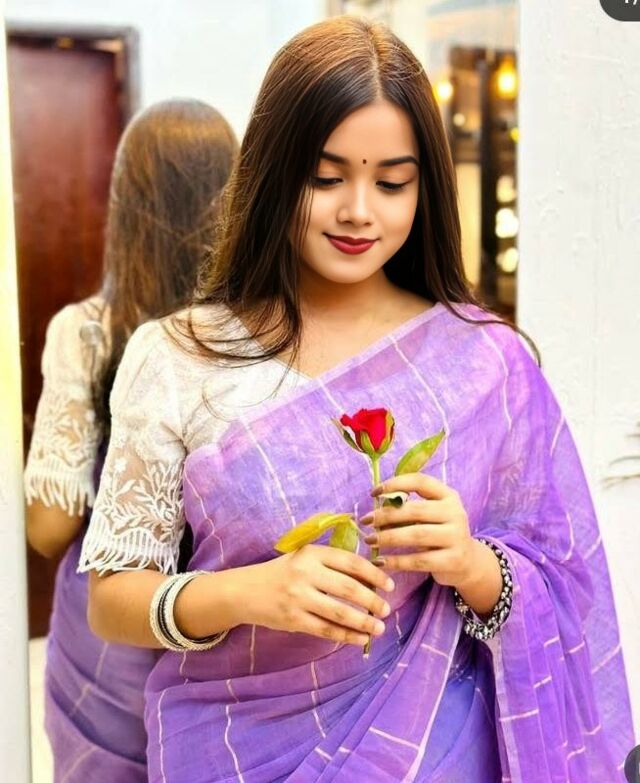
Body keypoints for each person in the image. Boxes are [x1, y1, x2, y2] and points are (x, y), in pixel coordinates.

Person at [79, 18, 633, 782]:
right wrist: (245, 593)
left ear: (424, 187)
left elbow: (568, 591)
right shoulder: (178, 357)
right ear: (274, 171)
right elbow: (111, 599)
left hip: (441, 753)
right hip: (232, 749)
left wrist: (470, 562)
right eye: (327, 177)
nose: (359, 212)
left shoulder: (483, 361)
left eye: (392, 182)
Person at [24, 98, 238, 782]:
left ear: (126, 204)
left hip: (109, 639)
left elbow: (50, 526)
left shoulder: (89, 332)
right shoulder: (258, 334)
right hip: (227, 612)